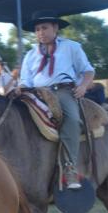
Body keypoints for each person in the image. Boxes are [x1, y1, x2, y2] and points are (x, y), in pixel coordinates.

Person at [16, 10, 95, 190]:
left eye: (44, 28)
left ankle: (70, 168)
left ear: (55, 28)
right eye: (37, 29)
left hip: (62, 91)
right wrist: (20, 87)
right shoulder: (30, 55)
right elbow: (25, 79)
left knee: (73, 120)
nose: (40, 32)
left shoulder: (71, 47)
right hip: (35, 92)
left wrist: (82, 86)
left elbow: (88, 71)